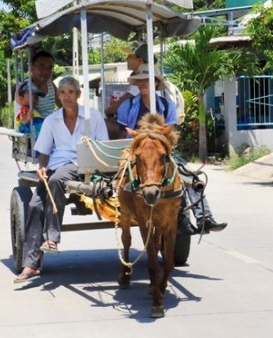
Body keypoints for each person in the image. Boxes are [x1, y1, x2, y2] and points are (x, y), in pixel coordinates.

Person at [14, 76, 109, 283]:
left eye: (71, 92)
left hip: (85, 165)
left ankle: (52, 237)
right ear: (58, 96)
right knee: (35, 205)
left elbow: (103, 144)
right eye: (63, 93)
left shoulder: (93, 117)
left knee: (57, 179)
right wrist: (41, 167)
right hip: (57, 164)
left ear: (78, 95)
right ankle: (30, 264)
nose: (67, 97)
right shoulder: (52, 120)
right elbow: (44, 150)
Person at [116, 65, 227, 236]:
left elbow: (171, 135)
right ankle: (180, 219)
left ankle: (204, 217)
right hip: (136, 152)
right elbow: (124, 133)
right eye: (139, 81)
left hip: (161, 151)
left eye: (146, 80)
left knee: (188, 175)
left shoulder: (167, 106)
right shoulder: (127, 106)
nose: (142, 83)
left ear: (156, 83)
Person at [15, 50, 62, 120]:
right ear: (32, 68)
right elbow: (23, 117)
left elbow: (63, 104)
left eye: (50, 68)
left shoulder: (50, 84)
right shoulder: (24, 87)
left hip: (49, 129)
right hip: (29, 129)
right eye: (41, 66)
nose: (46, 71)